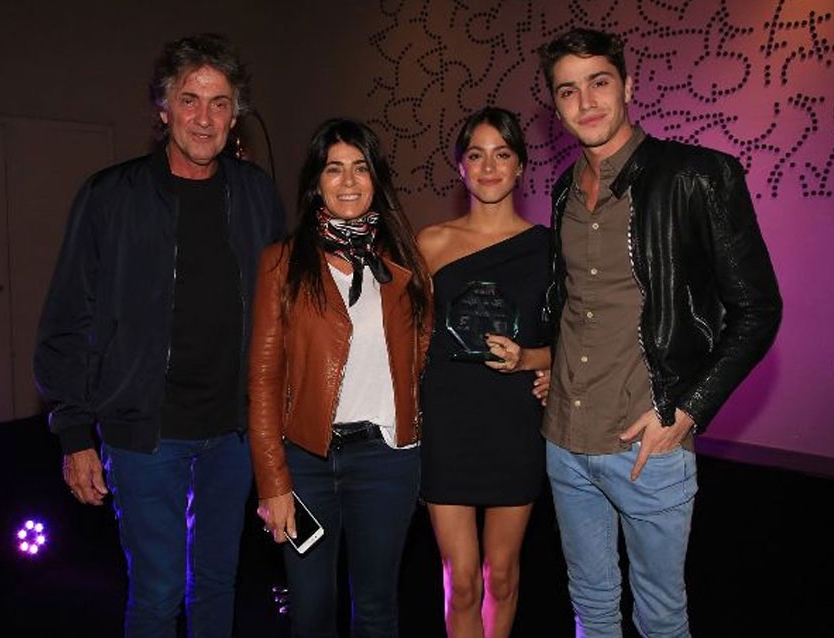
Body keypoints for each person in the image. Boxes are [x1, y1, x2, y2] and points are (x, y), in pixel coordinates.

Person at [33, 33, 286, 637]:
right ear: (164, 109)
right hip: (144, 431)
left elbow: (284, 310)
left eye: (220, 103)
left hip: (233, 431)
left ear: (235, 116)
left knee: (218, 583)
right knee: (158, 592)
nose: (204, 118)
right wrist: (75, 433)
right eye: (189, 99)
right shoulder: (109, 196)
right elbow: (67, 316)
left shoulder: (256, 194)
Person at [536, 27, 783, 637]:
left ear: (628, 86)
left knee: (661, 617)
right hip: (564, 439)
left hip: (647, 444)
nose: (586, 102)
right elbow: (576, 302)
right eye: (567, 91)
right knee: (590, 607)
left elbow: (757, 310)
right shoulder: (564, 188)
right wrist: (551, 364)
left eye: (599, 82)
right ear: (555, 108)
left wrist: (687, 409)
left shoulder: (698, 176)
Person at [247, 117, 432, 638]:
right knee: (310, 611)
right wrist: (273, 482)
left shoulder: (404, 263)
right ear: (316, 181)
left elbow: (421, 359)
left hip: (386, 461)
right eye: (334, 169)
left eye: (360, 168)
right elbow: (263, 380)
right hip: (306, 463)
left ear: (376, 179)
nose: (348, 181)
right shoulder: (281, 263)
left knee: (376, 609)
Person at [416, 106, 553, 638]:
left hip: (514, 422)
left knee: (502, 577)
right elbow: (404, 337)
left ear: (520, 166)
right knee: (464, 581)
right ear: (461, 167)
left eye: (502, 154)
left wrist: (533, 360)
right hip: (447, 424)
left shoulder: (547, 249)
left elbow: (576, 344)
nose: (489, 167)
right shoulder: (430, 244)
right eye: (477, 155)